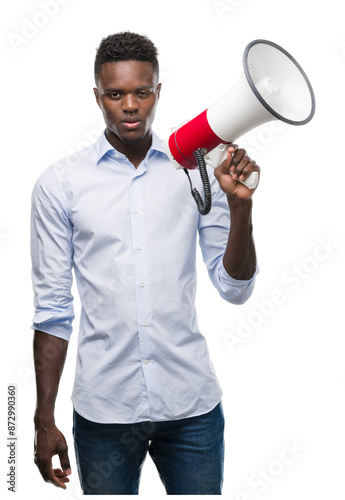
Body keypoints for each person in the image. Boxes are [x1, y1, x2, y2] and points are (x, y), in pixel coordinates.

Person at [31, 31, 260, 495]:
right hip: (104, 412)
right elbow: (52, 310)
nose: (130, 105)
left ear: (158, 92)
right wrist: (42, 417)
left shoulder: (198, 170)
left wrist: (240, 210)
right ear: (98, 97)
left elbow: (234, 288)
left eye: (142, 91)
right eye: (115, 94)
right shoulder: (59, 185)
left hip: (192, 408)